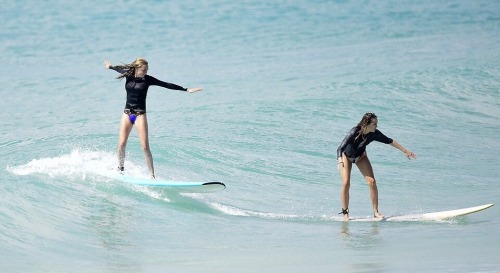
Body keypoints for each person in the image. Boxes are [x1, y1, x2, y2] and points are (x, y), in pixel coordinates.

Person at [104, 58, 202, 179]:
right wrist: (110, 67)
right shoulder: (128, 74)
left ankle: (152, 176)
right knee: (121, 144)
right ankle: (120, 168)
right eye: (144, 70)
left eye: (147, 70)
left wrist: (186, 89)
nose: (146, 72)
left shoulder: (148, 79)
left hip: (140, 115)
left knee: (145, 147)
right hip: (127, 114)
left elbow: (166, 84)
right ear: (137, 68)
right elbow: (118, 69)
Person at [337, 112, 416, 221]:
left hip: (361, 157)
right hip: (346, 157)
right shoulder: (354, 132)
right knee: (346, 183)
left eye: (376, 124)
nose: (376, 126)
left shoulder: (374, 133)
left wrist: (405, 151)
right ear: (366, 124)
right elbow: (340, 148)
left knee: (372, 182)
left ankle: (376, 212)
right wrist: (340, 161)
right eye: (374, 124)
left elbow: (390, 141)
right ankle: (345, 213)